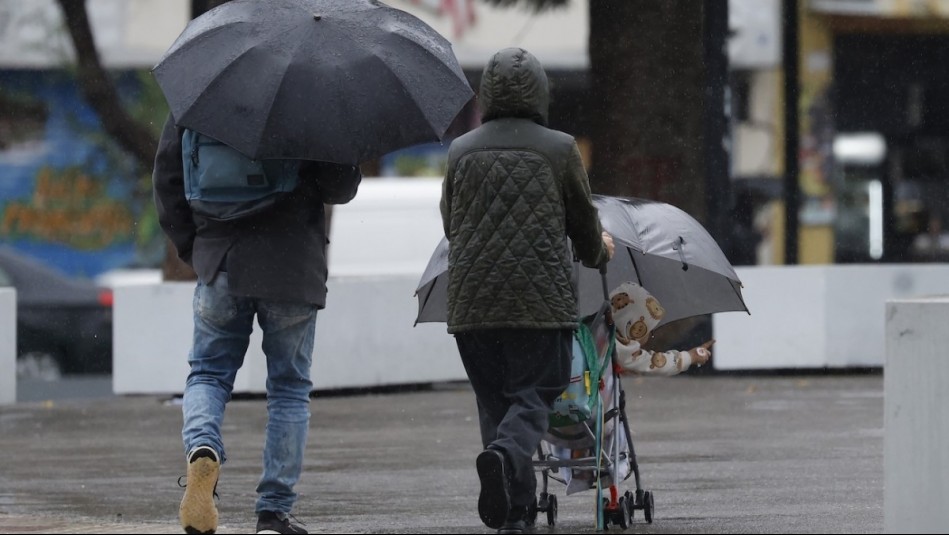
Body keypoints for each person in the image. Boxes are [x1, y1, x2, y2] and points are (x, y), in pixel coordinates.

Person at [153, 115, 362, 535]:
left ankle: (203, 446)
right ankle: (273, 513)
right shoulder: (307, 100)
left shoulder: (198, 99)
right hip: (291, 265)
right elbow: (340, 188)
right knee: (288, 388)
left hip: (221, 259)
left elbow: (167, 181)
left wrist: (197, 250)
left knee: (208, 374)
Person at [440, 47, 615, 535]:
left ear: (487, 93)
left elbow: (452, 225)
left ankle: (515, 512)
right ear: (540, 92)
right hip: (540, 303)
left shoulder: (460, 150)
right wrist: (599, 250)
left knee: (496, 403)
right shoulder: (559, 149)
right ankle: (503, 459)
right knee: (536, 392)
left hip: (472, 305)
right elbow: (584, 227)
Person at [609, 281, 713, 375]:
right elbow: (654, 363)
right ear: (633, 331)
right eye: (650, 331)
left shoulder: (604, 331)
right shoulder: (620, 350)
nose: (651, 335)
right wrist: (690, 357)